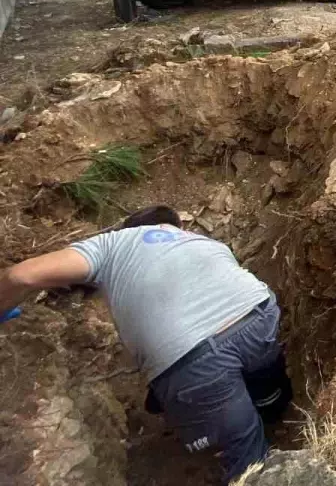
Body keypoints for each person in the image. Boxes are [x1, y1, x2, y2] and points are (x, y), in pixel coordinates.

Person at [0, 206, 288, 484]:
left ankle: (249, 451)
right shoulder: (200, 240)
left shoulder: (111, 244)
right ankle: (272, 407)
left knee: (247, 454)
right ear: (174, 225)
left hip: (195, 361)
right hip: (260, 316)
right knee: (262, 379)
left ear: (130, 229)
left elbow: (21, 275)